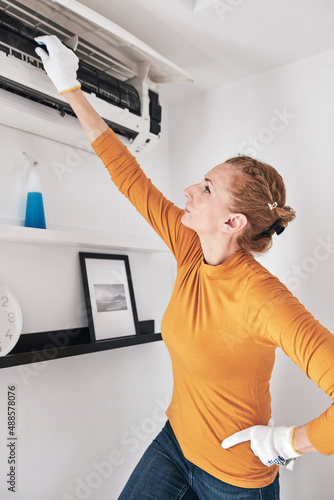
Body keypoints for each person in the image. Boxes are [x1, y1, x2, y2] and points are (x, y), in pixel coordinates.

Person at [34, 35, 334, 500]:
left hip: (235, 479)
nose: (190, 190)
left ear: (234, 222)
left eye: (208, 188)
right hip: (176, 445)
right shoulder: (190, 246)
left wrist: (286, 442)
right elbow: (129, 177)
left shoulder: (264, 299)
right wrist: (71, 88)